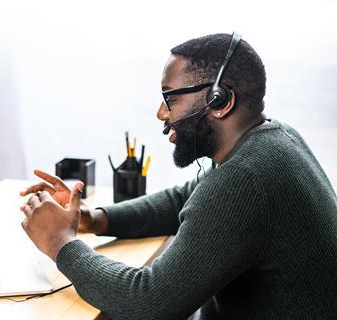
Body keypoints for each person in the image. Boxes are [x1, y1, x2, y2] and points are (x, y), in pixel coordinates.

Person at [19, 33, 337, 320]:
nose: (161, 112)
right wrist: (94, 219)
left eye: (171, 97)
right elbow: (183, 198)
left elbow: (147, 303)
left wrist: (59, 243)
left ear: (220, 101)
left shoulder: (245, 178)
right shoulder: (275, 139)